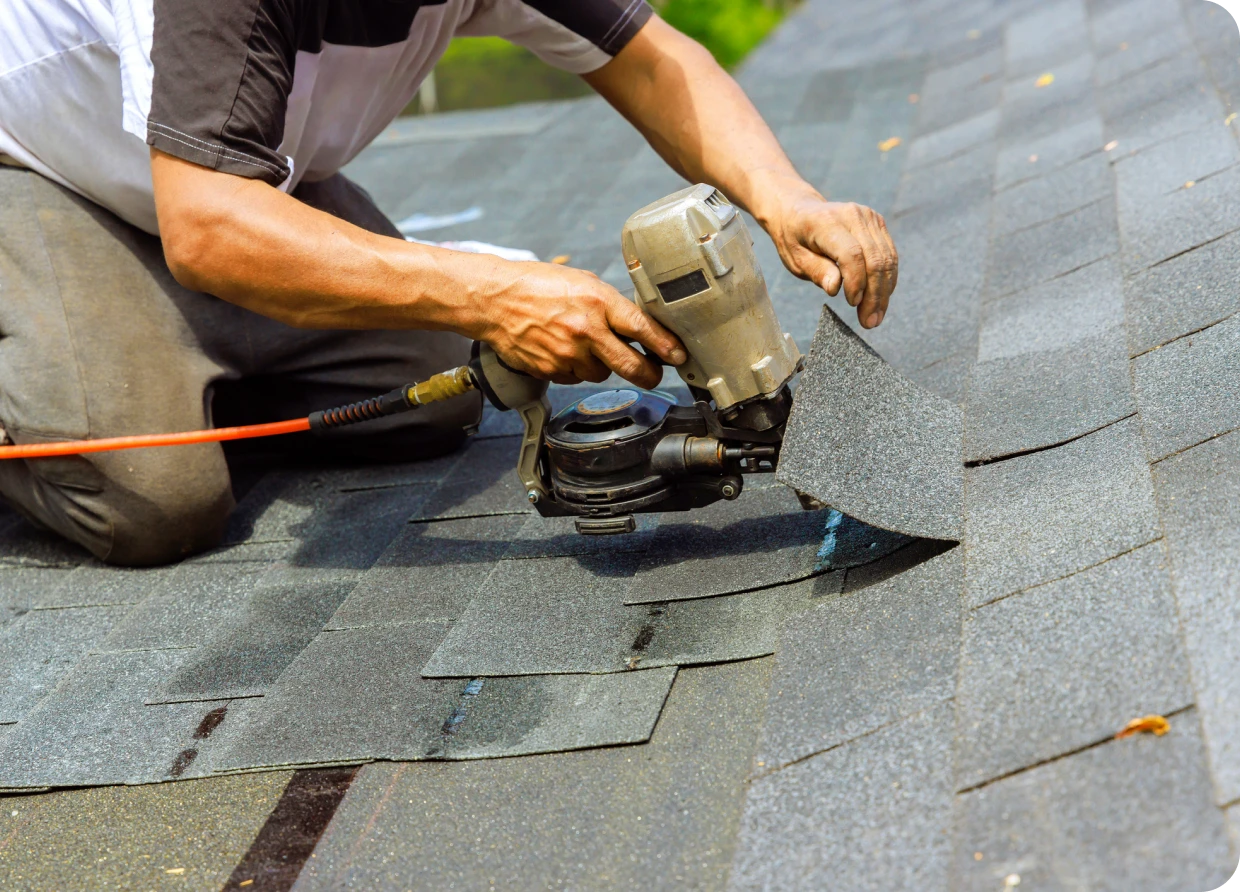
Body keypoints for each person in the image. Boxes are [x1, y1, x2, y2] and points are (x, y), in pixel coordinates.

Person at [0, 0, 898, 566]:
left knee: (435, 393)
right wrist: (493, 292)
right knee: (154, 500)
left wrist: (788, 202)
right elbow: (206, 226)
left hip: (213, 181)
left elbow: (654, 59)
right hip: (38, 170)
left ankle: (167, 354)